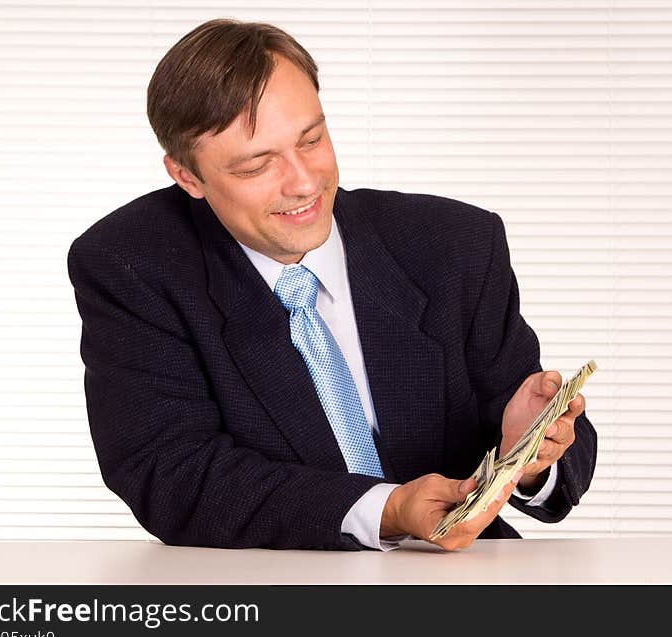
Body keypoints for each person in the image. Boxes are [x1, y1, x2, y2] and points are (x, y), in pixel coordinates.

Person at [67, 18, 597, 551]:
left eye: (312, 139)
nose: (303, 182)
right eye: (256, 166)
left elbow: (560, 464)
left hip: (453, 577)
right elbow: (171, 473)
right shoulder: (132, 264)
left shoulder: (453, 244)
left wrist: (526, 451)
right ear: (187, 177)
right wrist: (385, 510)